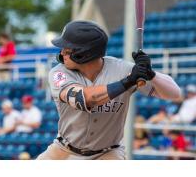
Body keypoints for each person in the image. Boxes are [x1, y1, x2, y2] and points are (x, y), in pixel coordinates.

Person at [37, 20, 182, 160]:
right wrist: (127, 82)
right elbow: (84, 99)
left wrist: (152, 74)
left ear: (84, 53)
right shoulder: (59, 73)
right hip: (64, 150)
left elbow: (175, 94)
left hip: (108, 154)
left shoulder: (122, 69)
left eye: (67, 49)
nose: (61, 53)